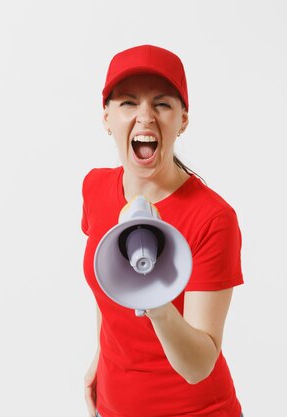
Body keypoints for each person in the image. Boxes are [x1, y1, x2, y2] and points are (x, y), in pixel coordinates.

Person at [81, 45, 244, 417]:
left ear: (183, 119)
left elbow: (200, 365)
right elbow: (106, 282)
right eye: (127, 103)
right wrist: (100, 359)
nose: (145, 118)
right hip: (115, 405)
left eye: (162, 104)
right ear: (106, 117)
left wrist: (155, 300)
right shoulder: (94, 188)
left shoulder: (212, 218)